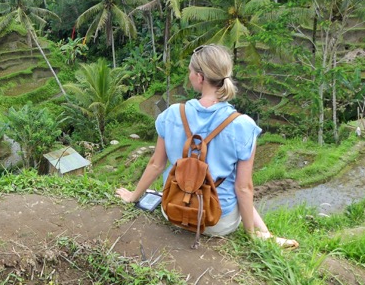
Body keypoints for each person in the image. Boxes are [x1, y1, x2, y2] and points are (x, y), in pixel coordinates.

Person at [116, 44, 298, 248]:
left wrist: (133, 196)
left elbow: (156, 165)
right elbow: (243, 187)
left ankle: (265, 233)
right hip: (218, 222)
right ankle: (262, 234)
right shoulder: (243, 125)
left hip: (173, 210)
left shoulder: (173, 114)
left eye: (190, 72)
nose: (189, 75)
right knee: (233, 188)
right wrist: (249, 232)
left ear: (200, 77)